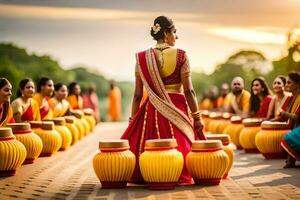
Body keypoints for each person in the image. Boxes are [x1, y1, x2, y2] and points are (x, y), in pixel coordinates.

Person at [121, 16, 206, 185]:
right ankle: (177, 172)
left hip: (152, 108)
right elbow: (189, 90)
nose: (177, 36)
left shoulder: (141, 58)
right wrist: (197, 117)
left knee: (153, 148)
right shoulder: (181, 56)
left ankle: (155, 173)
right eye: (175, 32)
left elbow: (138, 95)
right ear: (166, 34)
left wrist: (133, 120)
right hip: (178, 106)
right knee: (181, 146)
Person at [280, 71, 300, 168]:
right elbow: (281, 113)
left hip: (298, 125)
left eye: (289, 82)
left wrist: (284, 113)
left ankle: (291, 159)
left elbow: (297, 117)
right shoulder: (290, 97)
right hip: (294, 125)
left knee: (289, 137)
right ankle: (290, 159)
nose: (286, 85)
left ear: (297, 84)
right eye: (286, 82)